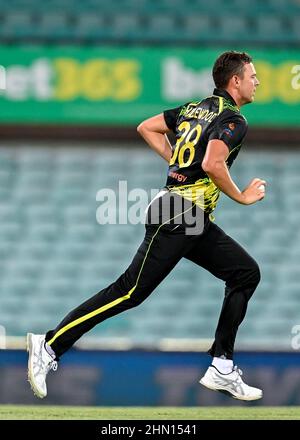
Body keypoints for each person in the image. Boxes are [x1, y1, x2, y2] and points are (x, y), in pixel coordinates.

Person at [27, 51, 264, 401]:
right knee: (129, 292)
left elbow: (146, 127)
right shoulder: (233, 119)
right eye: (252, 76)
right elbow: (214, 164)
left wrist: (177, 161)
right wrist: (242, 197)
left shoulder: (192, 109)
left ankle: (222, 366)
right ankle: (48, 345)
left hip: (189, 217)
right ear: (235, 81)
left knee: (245, 272)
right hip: (181, 214)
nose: (257, 81)